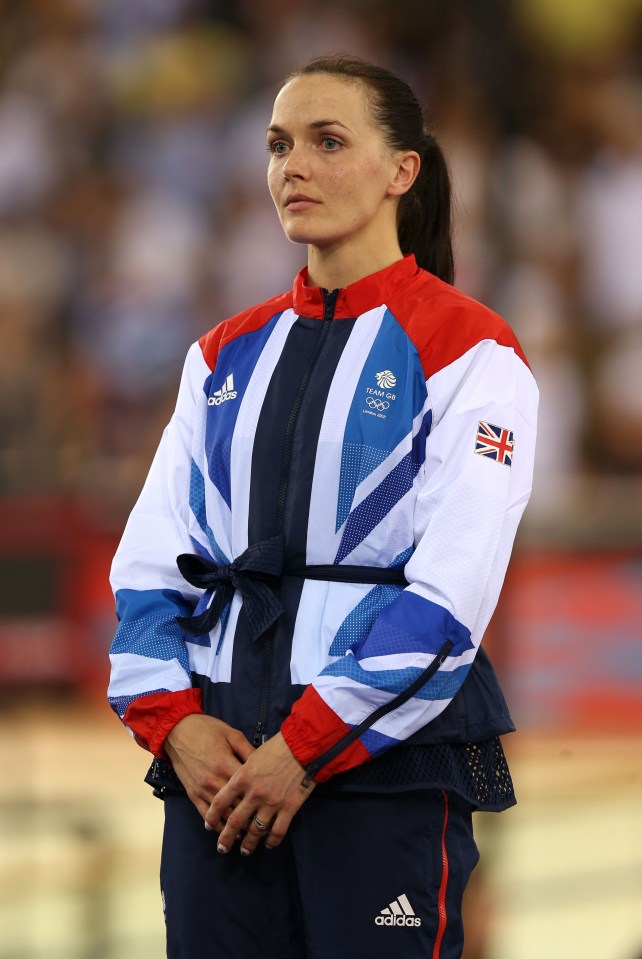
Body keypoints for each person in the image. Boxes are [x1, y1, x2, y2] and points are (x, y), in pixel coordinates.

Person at [108, 54, 538, 959]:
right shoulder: (223, 353)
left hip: (378, 773)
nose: (290, 166)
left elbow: (451, 596)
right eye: (277, 144)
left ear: (401, 172)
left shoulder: (473, 353)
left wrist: (301, 749)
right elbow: (147, 570)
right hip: (215, 776)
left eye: (326, 141)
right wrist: (176, 726)